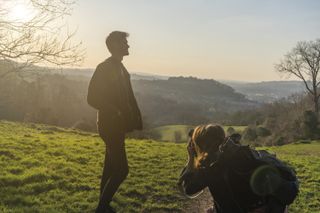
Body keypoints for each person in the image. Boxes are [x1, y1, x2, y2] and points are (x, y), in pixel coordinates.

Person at [178, 124, 298, 213]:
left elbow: (188, 188)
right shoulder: (243, 152)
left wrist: (191, 158)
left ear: (201, 145)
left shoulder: (212, 168)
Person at [87, 31, 142, 213]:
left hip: (116, 126)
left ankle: (103, 206)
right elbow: (92, 97)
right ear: (116, 45)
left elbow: (127, 97)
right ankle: (101, 208)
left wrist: (132, 118)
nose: (128, 46)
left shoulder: (120, 67)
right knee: (122, 170)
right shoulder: (105, 67)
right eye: (125, 42)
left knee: (110, 168)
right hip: (109, 126)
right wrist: (115, 111)